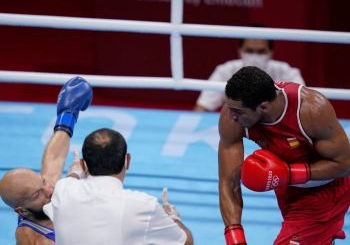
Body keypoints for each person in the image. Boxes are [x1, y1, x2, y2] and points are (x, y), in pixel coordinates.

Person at [219, 66, 350, 244]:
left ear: (263, 107)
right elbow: (229, 181)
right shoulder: (233, 113)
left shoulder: (310, 109)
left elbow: (344, 164)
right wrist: (235, 237)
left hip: (327, 191)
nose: (231, 116)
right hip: (287, 190)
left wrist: (288, 173)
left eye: (238, 112)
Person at [43, 127, 193, 245]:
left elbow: (64, 178)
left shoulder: (63, 189)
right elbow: (185, 242)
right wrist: (173, 218)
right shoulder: (144, 205)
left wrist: (75, 174)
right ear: (127, 161)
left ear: (83, 164)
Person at [0, 76, 93, 245]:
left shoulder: (43, 193)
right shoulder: (35, 240)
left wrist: (68, 113)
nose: (50, 189)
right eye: (38, 193)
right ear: (22, 211)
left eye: (42, 181)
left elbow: (54, 157)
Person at [194, 30, 305, 112]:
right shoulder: (225, 70)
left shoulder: (287, 72)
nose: (254, 57)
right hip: (236, 125)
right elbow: (202, 107)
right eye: (249, 51)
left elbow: (303, 105)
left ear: (271, 52)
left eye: (261, 52)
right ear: (240, 50)